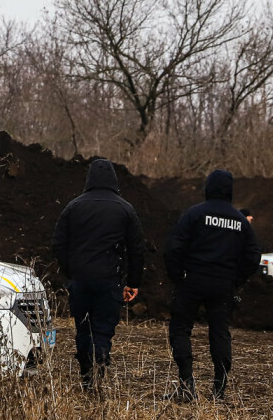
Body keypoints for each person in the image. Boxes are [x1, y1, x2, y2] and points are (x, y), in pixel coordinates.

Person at [163, 169, 261, 403]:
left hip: (193, 281)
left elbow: (173, 248)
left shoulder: (194, 214)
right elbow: (253, 256)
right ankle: (219, 390)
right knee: (220, 333)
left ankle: (187, 386)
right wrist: (235, 281)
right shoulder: (240, 221)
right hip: (223, 285)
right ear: (230, 190)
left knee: (180, 329)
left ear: (208, 188)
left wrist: (178, 277)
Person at [51, 158, 146, 389]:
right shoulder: (125, 208)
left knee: (83, 328)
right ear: (113, 179)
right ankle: (99, 366)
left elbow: (58, 243)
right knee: (102, 328)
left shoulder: (74, 206)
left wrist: (70, 271)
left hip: (80, 280)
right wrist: (133, 282)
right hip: (109, 280)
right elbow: (137, 248)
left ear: (89, 179)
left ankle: (86, 377)